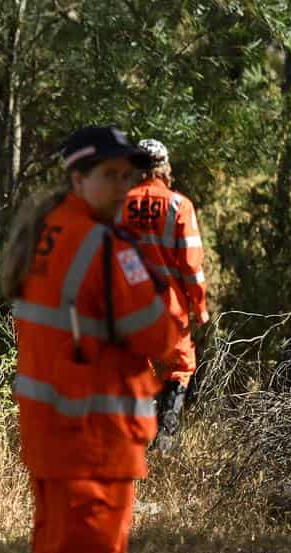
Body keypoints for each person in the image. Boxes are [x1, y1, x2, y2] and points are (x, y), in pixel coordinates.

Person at [1, 126, 183, 553]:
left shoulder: (46, 230)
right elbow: (161, 335)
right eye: (110, 176)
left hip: (50, 429)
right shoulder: (107, 246)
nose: (123, 187)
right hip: (95, 434)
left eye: (128, 176)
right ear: (78, 178)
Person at [118, 139, 209, 453]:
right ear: (164, 167)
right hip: (169, 307)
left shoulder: (120, 205)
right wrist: (199, 306)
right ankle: (164, 446)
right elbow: (191, 265)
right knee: (179, 367)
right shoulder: (178, 205)